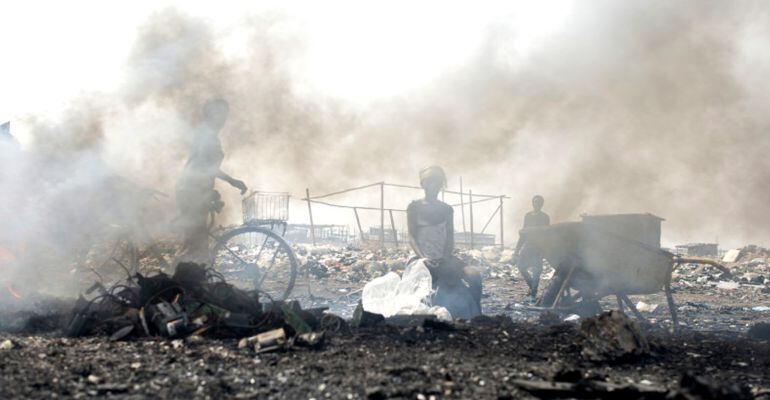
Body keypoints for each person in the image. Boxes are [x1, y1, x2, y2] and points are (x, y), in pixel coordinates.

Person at [175, 99, 247, 264]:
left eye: (224, 114)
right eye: (218, 113)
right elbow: (206, 167)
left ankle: (189, 280)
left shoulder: (208, 134)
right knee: (194, 242)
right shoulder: (206, 136)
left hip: (196, 190)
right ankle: (178, 279)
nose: (222, 118)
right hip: (191, 191)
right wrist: (232, 181)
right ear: (208, 114)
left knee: (196, 240)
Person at [407, 166, 482, 312]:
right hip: (421, 256)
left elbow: (450, 239)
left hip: (444, 257)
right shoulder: (414, 207)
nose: (433, 186)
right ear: (423, 184)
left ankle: (477, 313)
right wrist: (423, 258)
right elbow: (412, 236)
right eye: (430, 182)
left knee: (474, 276)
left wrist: (445, 258)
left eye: (437, 182)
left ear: (441, 185)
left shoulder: (447, 209)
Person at [514, 195, 550, 302]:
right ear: (532, 203)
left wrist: (545, 250)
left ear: (542, 204)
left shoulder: (545, 217)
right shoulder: (528, 216)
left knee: (537, 270)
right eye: (535, 202)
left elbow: (546, 233)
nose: (536, 204)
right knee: (520, 266)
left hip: (538, 247)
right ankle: (532, 287)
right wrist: (517, 249)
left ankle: (533, 293)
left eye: (539, 202)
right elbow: (524, 233)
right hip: (528, 245)